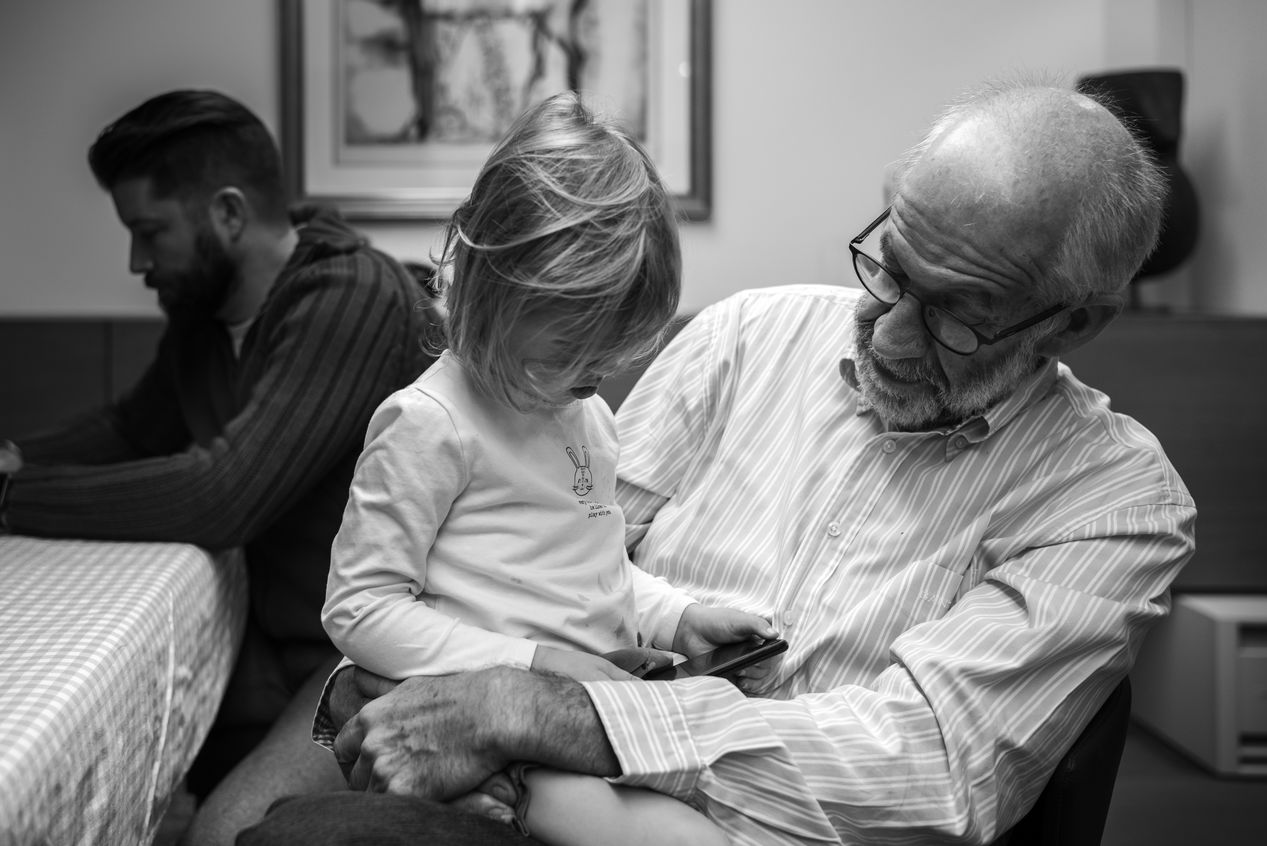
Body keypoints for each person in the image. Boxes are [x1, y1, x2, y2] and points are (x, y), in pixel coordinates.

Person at [239, 79, 1197, 845]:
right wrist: (599, 650)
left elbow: (935, 767)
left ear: (1078, 320)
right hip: (532, 758)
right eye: (890, 269)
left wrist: (553, 711)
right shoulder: (748, 335)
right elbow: (565, 556)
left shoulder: (1112, 501)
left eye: (958, 314)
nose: (894, 337)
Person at [321, 91, 772, 846]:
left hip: (584, 712)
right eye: (573, 354)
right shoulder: (429, 424)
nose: (597, 379)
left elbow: (591, 561)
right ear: (493, 296)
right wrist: (535, 663)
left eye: (614, 355)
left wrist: (678, 616)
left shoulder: (583, 413)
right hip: (482, 726)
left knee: (712, 798)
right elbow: (360, 611)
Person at [0, 90, 430, 844]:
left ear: (228, 213)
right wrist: (17, 456)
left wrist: (11, 494)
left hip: (378, 648)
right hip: (278, 639)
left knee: (219, 833)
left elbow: (223, 493)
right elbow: (130, 428)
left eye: (149, 232)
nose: (137, 261)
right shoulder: (207, 320)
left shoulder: (351, 296)